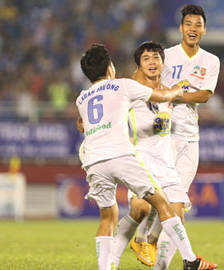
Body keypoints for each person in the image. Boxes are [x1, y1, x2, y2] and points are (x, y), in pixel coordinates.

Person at [77, 43, 215, 270]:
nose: (152, 62)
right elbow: (160, 95)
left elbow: (84, 120)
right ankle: (188, 260)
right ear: (112, 68)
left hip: (125, 160)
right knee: (151, 207)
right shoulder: (127, 86)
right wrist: (180, 92)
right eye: (146, 59)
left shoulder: (82, 97)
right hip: (135, 156)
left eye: (156, 58)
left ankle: (149, 264)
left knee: (115, 216)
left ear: (163, 62)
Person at [128, 5, 220, 269]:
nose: (193, 28)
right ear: (181, 28)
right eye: (188, 24)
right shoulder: (164, 56)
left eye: (198, 25)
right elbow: (139, 79)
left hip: (191, 139)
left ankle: (150, 242)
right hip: (163, 136)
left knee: (174, 203)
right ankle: (171, 256)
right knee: (171, 204)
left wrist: (174, 94)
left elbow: (204, 95)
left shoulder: (211, 61)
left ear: (204, 29)